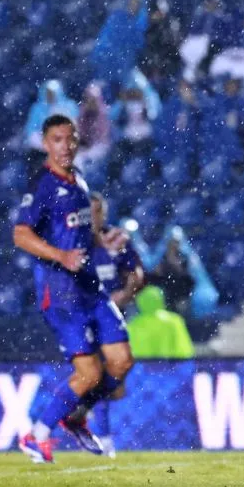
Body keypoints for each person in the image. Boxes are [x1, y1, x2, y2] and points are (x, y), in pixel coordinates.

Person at [12, 115, 135, 463]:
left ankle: (77, 415)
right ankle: (36, 436)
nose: (65, 146)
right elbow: (20, 234)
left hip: (91, 287)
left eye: (70, 139)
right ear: (45, 143)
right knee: (90, 373)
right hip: (62, 292)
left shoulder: (78, 178)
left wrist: (102, 240)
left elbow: (77, 231)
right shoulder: (42, 186)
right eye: (57, 140)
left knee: (121, 361)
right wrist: (60, 256)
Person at [88, 192, 145, 457]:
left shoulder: (117, 240)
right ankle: (104, 437)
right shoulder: (72, 242)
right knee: (95, 375)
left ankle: (95, 427)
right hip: (85, 317)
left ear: (104, 213)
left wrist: (123, 294)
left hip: (116, 315)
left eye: (97, 211)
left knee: (113, 380)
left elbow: (136, 273)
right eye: (88, 211)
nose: (93, 217)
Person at [126, 285, 194, 359]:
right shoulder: (174, 320)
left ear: (139, 302)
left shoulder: (134, 324)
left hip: (145, 367)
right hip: (170, 367)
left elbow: (131, 354)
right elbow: (185, 350)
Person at [24, 79, 79, 151]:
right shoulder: (38, 108)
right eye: (47, 93)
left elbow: (76, 125)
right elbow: (31, 130)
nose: (49, 95)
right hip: (42, 149)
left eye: (52, 93)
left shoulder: (69, 106)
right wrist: (43, 144)